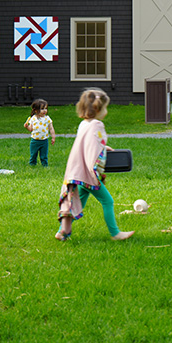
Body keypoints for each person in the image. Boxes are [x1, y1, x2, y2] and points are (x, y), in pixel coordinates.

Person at [56, 88, 134, 242]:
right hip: (87, 173)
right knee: (108, 201)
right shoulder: (97, 125)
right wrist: (96, 173)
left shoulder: (83, 124)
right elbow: (92, 151)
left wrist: (103, 147)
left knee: (79, 200)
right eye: (105, 108)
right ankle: (115, 233)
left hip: (77, 171)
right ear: (98, 109)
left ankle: (62, 232)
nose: (106, 111)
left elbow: (87, 144)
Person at [24, 98, 56, 166]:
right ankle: (32, 165)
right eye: (42, 109)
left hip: (44, 141)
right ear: (35, 110)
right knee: (33, 154)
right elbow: (31, 129)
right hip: (35, 141)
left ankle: (44, 165)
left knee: (44, 155)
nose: (44, 110)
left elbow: (51, 128)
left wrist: (53, 137)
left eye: (45, 108)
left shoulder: (47, 118)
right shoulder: (33, 119)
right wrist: (27, 126)